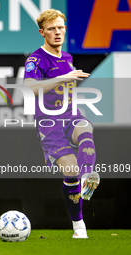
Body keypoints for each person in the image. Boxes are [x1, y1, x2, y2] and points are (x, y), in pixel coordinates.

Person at [23, 9, 100, 238]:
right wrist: (63, 79)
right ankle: (79, 226)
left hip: (70, 115)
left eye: (60, 27)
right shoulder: (35, 59)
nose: (57, 32)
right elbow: (30, 87)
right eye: (51, 29)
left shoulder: (66, 57)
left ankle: (89, 174)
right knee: (70, 173)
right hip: (48, 124)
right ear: (42, 33)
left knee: (86, 129)